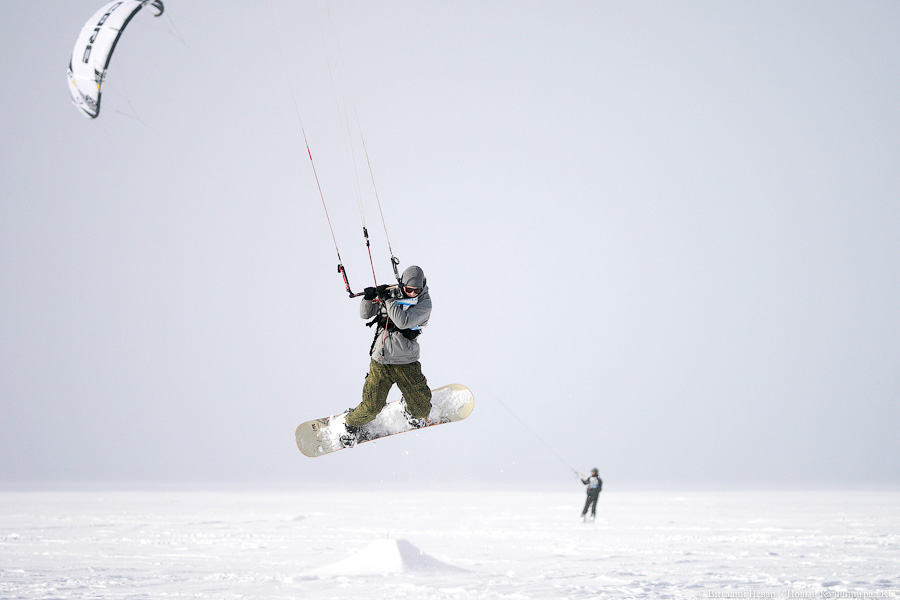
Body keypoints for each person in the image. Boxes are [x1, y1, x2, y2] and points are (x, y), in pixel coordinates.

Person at [340, 265, 433, 447]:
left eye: (417, 290)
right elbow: (365, 314)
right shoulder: (392, 293)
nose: (413, 293)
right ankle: (350, 423)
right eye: (409, 289)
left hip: (406, 362)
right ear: (402, 285)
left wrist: (388, 300)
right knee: (371, 407)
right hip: (380, 361)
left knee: (422, 409)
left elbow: (403, 321)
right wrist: (368, 299)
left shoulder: (425, 304)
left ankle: (408, 406)